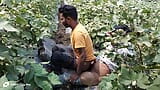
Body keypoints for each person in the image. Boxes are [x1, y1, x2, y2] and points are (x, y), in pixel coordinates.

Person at [58, 5, 111, 86]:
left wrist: (77, 73)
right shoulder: (77, 28)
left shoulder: (78, 33)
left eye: (62, 19)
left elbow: (83, 56)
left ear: (68, 19)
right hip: (85, 61)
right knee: (58, 50)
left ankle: (59, 78)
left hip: (85, 64)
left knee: (56, 57)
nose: (61, 22)